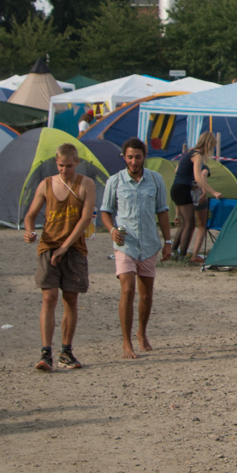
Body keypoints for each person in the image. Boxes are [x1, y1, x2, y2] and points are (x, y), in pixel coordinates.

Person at [23, 142, 99, 371]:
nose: (64, 170)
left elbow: (86, 218)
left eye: (68, 166)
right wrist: (29, 231)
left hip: (74, 249)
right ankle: (46, 353)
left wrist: (65, 246)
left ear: (77, 163)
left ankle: (66, 350)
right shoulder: (46, 185)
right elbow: (30, 215)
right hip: (48, 246)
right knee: (49, 298)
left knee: (71, 300)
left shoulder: (86, 185)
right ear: (55, 163)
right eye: (60, 166)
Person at [99, 138, 171, 359]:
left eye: (137, 157)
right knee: (128, 290)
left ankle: (142, 332)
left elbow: (162, 211)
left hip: (149, 243)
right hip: (125, 244)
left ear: (144, 157)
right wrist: (111, 229)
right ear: (124, 157)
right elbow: (105, 211)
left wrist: (168, 242)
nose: (133, 161)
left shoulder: (156, 180)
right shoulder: (115, 181)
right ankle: (126, 341)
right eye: (129, 157)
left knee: (146, 295)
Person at [170, 131, 218, 263]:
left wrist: (188, 183)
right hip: (182, 190)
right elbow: (198, 177)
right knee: (190, 224)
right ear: (208, 144)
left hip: (177, 188)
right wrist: (213, 192)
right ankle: (182, 256)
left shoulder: (189, 152)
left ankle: (174, 250)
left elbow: (177, 171)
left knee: (185, 223)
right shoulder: (197, 155)